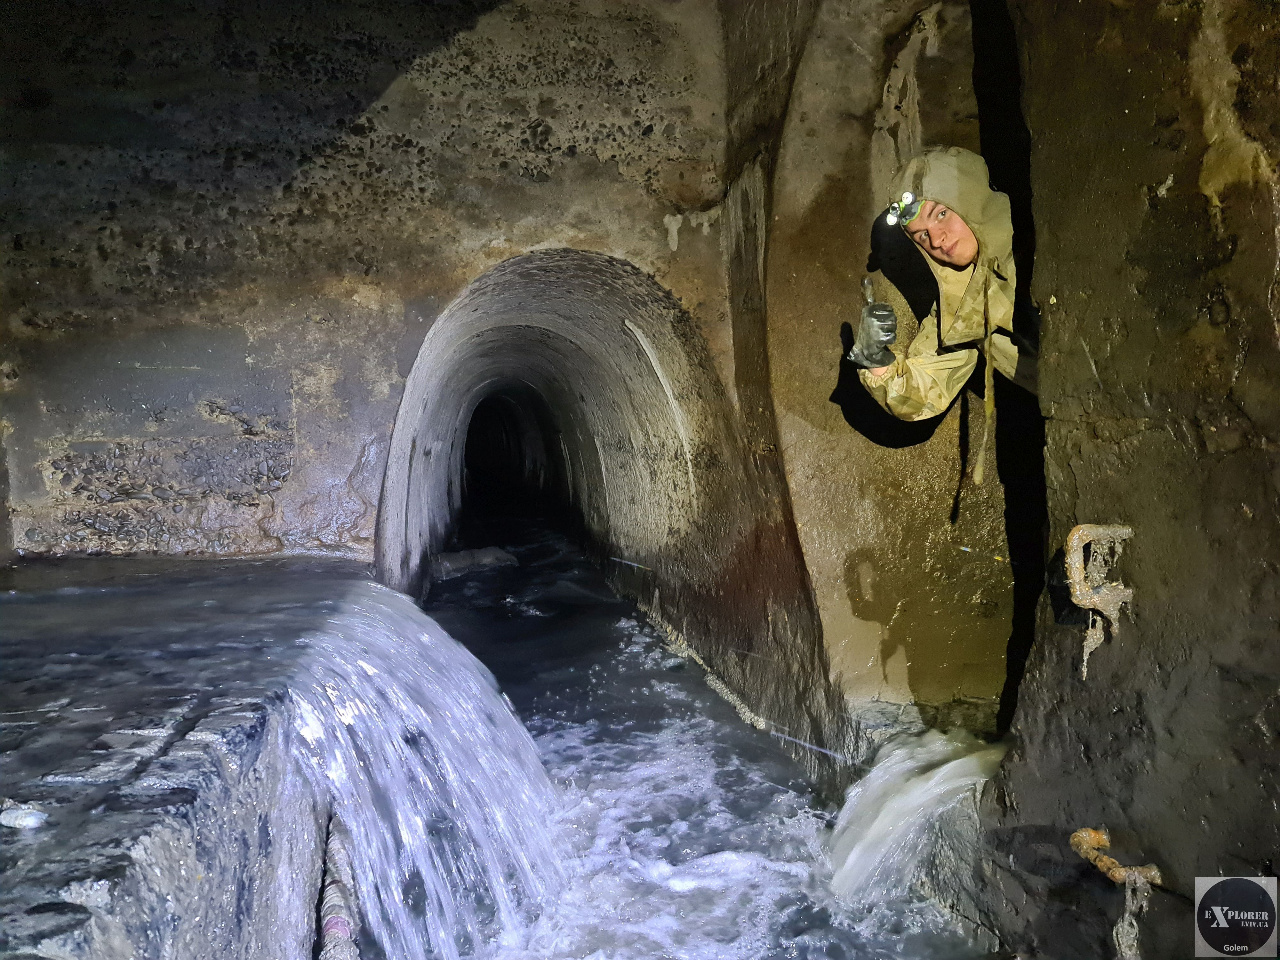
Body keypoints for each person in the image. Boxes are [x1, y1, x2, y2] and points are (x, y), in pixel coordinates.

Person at [846, 146, 1037, 482]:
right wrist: (875, 359)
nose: (936, 239)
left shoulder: (1043, 237)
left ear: (971, 197)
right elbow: (924, 392)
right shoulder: (958, 305)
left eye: (941, 214)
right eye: (921, 235)